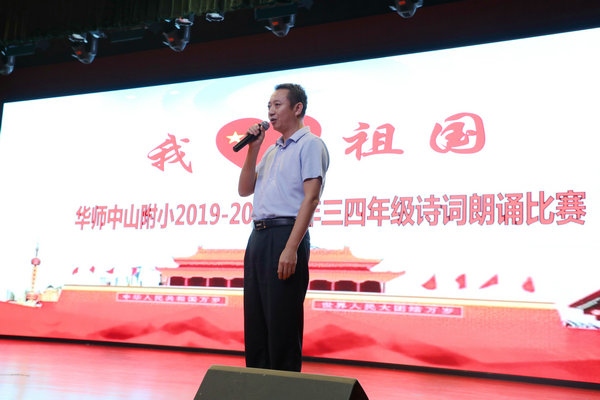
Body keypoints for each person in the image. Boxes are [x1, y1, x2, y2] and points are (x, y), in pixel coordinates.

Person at [237, 83, 330, 372]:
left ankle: (283, 386)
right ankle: (257, 384)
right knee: (256, 321)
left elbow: (311, 198)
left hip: (286, 235)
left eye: (277, 105)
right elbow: (244, 189)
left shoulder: (310, 144)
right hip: (259, 236)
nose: (271, 111)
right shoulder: (271, 151)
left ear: (297, 108)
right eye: (269, 106)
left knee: (282, 323)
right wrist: (253, 148)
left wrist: (291, 248)